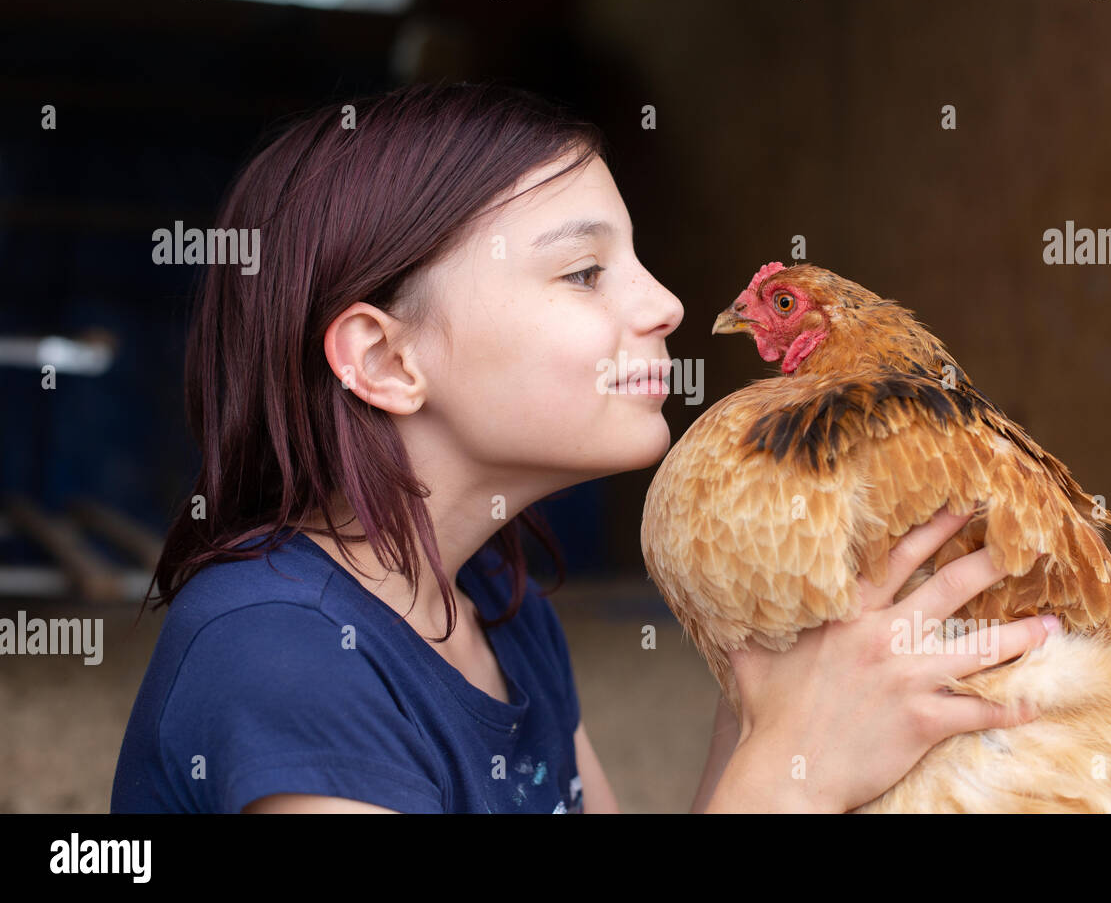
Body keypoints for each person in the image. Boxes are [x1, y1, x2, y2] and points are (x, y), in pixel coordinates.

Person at [110, 80, 1055, 814]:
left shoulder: (496, 609)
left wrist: (773, 702)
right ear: (387, 359)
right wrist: (793, 785)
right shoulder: (280, 659)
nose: (666, 305)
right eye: (585, 271)